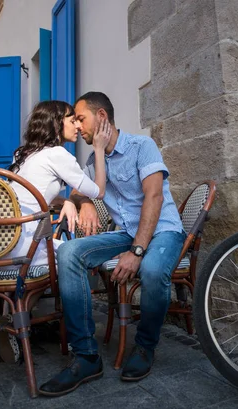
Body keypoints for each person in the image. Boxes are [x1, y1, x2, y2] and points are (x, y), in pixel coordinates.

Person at [39, 92, 185, 397]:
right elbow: (84, 190)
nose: (77, 126)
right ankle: (87, 356)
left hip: (163, 231)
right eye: (74, 120)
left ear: (101, 116)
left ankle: (145, 347)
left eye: (81, 118)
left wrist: (137, 252)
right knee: (69, 252)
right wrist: (83, 203)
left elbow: (154, 198)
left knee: (153, 270)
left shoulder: (142, 146)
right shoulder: (95, 159)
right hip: (126, 232)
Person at [6, 100, 112, 266]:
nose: (77, 126)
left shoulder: (22, 154)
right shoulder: (57, 154)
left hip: (4, 243)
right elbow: (99, 191)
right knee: (82, 256)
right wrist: (99, 149)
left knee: (72, 250)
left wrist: (68, 202)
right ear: (56, 124)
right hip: (28, 249)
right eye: (72, 121)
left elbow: (33, 195)